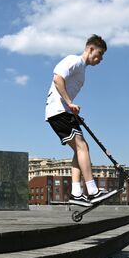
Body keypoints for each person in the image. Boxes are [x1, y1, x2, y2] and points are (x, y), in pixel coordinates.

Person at [45, 34, 111, 206]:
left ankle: (76, 193)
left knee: (81, 149)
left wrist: (72, 110)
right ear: (90, 49)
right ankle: (93, 191)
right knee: (82, 146)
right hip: (58, 111)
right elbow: (57, 78)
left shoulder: (82, 70)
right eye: (100, 54)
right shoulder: (74, 60)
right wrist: (69, 103)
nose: (101, 59)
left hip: (65, 112)